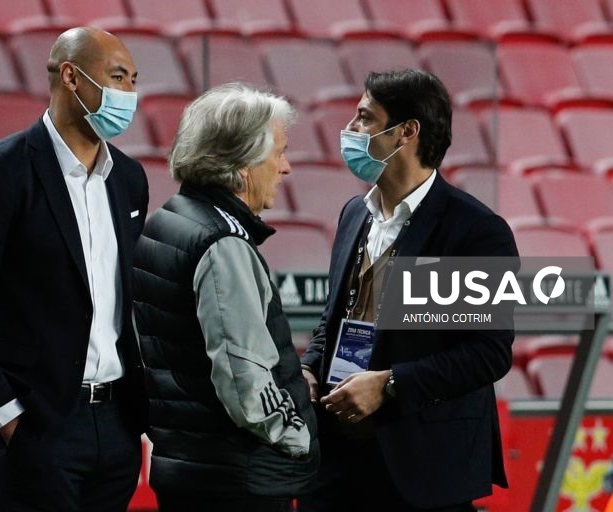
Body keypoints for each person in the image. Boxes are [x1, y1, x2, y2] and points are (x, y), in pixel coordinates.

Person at [0, 27, 148, 511]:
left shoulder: (130, 179)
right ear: (71, 77)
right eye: (118, 77)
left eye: (134, 81)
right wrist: (9, 423)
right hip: (34, 428)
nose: (129, 94)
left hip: (116, 428)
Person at [298, 69, 517, 512]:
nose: (350, 129)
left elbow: (486, 352)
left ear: (407, 132)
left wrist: (390, 384)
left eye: (365, 117)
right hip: (335, 458)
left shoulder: (473, 230)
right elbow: (335, 320)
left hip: (422, 468)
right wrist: (308, 368)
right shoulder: (353, 214)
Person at [132, 83, 319, 512]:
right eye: (279, 153)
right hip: (234, 478)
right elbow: (243, 380)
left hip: (189, 465)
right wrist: (297, 436)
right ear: (243, 163)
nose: (286, 167)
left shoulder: (167, 219)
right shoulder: (222, 243)